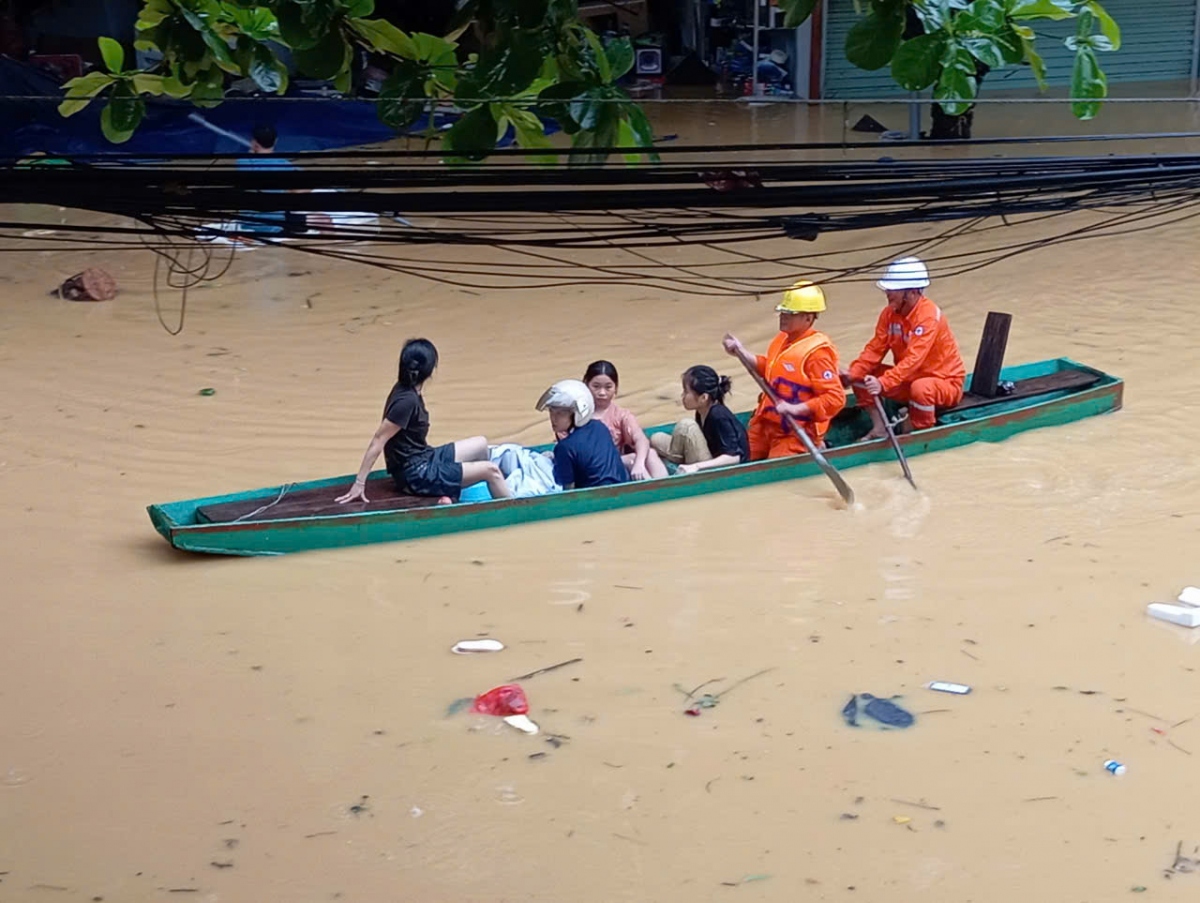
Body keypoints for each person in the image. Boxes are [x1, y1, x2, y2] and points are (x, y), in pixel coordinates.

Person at [335, 338, 511, 505]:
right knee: (492, 471)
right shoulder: (406, 401)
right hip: (415, 474)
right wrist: (359, 483)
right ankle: (511, 509)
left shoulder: (409, 388)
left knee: (481, 444)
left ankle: (458, 492)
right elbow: (378, 440)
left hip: (424, 457)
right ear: (430, 370)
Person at [845, 256, 966, 439]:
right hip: (908, 380)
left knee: (921, 387)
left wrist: (883, 383)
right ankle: (879, 427)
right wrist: (853, 374)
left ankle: (919, 431)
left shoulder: (928, 316)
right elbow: (875, 349)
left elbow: (913, 360)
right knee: (863, 373)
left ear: (911, 292)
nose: (888, 293)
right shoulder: (889, 313)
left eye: (893, 290)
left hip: (944, 383)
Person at [723, 280, 846, 458]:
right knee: (742, 457)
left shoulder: (817, 354)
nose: (783, 316)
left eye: (790, 313)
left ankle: (818, 445)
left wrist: (796, 409)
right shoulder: (782, 339)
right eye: (783, 311)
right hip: (767, 422)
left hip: (795, 432)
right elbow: (771, 370)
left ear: (808, 318)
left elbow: (835, 399)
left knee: (774, 468)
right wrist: (741, 352)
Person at [649, 365, 749, 474]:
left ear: (703, 398)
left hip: (721, 467)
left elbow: (735, 458)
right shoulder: (701, 411)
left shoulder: (718, 416)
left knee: (687, 426)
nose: (682, 395)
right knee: (656, 438)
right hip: (707, 453)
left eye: (686, 392)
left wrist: (696, 466)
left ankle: (679, 464)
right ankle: (677, 461)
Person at [536, 379, 629, 489]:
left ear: (578, 412)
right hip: (622, 485)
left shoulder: (564, 447)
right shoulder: (599, 426)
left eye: (560, 413)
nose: (553, 419)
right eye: (551, 411)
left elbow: (568, 490)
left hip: (595, 497)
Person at [583, 361, 668, 480]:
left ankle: (664, 486)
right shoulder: (578, 415)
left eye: (608, 387)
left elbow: (640, 439)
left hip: (617, 461)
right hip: (592, 465)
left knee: (650, 454)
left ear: (616, 389)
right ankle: (654, 491)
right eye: (596, 387)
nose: (602, 393)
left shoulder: (621, 415)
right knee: (631, 459)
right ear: (586, 385)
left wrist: (639, 464)